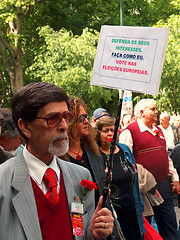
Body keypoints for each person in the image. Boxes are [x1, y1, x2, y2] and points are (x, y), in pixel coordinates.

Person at [0, 82, 114, 240]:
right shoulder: (3, 181)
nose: (64, 126)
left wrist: (94, 233)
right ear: (25, 127)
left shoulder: (81, 176)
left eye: (67, 117)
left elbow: (81, 232)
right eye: (52, 119)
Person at [119, 98, 180, 240]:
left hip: (163, 186)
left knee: (170, 227)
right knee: (146, 230)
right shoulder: (129, 132)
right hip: (142, 190)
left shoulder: (158, 130)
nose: (156, 111)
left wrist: (175, 178)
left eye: (156, 109)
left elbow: (166, 158)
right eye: (153, 109)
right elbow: (124, 163)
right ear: (141, 112)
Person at [95, 117, 145, 240]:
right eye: (106, 131)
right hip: (113, 214)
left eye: (113, 130)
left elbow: (134, 176)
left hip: (133, 210)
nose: (110, 133)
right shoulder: (95, 154)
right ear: (98, 133)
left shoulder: (124, 149)